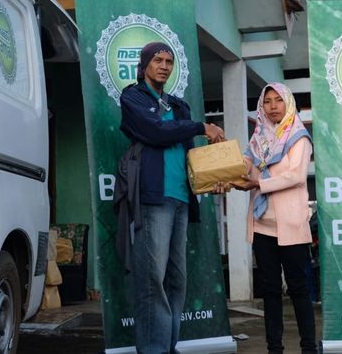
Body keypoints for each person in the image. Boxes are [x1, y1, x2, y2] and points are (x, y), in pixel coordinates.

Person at [119, 41, 225, 354]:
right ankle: (153, 349)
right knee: (152, 277)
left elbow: (191, 152)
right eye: (158, 60)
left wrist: (215, 178)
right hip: (153, 198)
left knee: (176, 279)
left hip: (181, 198)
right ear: (144, 65)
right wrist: (201, 126)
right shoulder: (133, 97)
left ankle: (168, 344)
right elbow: (155, 132)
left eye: (169, 61)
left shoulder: (179, 106)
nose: (164, 66)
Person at [233, 82, 316, 354]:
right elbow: (245, 164)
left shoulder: (298, 137)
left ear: (288, 103)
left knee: (298, 289)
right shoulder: (259, 138)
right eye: (267, 101)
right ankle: (274, 349)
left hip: (291, 226)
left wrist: (258, 185)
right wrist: (226, 171)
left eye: (278, 100)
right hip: (263, 227)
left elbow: (296, 176)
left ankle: (308, 348)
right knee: (269, 291)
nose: (272, 106)